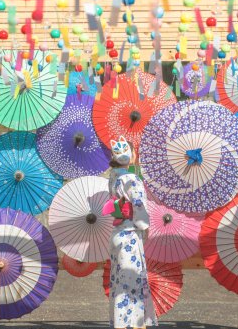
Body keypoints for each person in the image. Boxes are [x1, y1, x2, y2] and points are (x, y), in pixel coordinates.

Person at [107, 136, 158, 329]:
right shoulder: (132, 179)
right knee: (132, 284)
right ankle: (131, 325)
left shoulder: (114, 177)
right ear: (130, 156)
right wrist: (146, 226)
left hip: (117, 233)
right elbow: (139, 209)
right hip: (129, 234)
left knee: (119, 282)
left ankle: (120, 323)